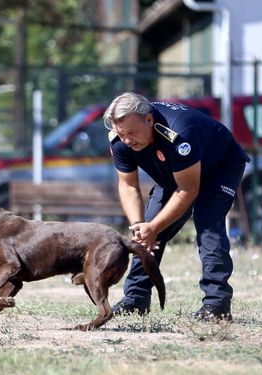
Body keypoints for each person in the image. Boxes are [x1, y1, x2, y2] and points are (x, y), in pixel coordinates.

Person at [104, 92, 250, 321]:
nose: (127, 140)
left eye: (132, 133)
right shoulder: (121, 141)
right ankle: (136, 299)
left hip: (219, 167)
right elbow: (128, 186)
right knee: (145, 233)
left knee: (207, 222)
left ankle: (216, 305)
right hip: (176, 173)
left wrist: (154, 226)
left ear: (149, 120)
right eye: (122, 134)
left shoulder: (179, 134)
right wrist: (140, 225)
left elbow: (189, 190)